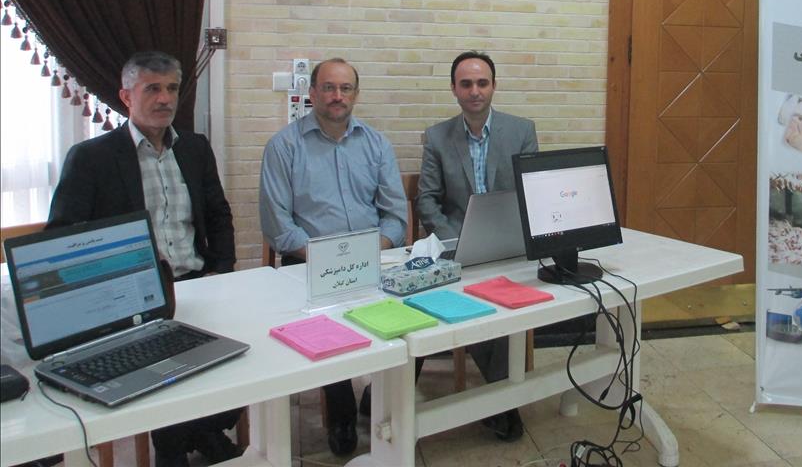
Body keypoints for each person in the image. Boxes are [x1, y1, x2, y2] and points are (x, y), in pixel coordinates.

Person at [48, 51, 241, 467]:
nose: (165, 99)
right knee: (165, 373)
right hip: (135, 300)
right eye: (152, 89)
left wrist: (223, 271)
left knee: (246, 356)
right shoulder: (92, 158)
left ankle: (204, 430)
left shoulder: (195, 148)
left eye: (172, 88)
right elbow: (63, 238)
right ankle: (173, 450)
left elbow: (218, 214)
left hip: (201, 283)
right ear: (126, 96)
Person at [259, 58, 406, 455]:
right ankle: (340, 411)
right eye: (328, 87)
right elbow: (278, 226)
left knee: (418, 313)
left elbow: (395, 216)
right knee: (325, 328)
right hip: (308, 264)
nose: (337, 96)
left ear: (356, 94)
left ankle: (378, 397)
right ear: (312, 93)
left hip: (373, 259)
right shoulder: (284, 146)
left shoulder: (376, 144)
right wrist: (327, 259)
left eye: (345, 88)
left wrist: (373, 251)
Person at [416, 50, 538, 441]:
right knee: (461, 299)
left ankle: (501, 402)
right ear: (454, 89)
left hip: (508, 245)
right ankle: (503, 404)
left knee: (500, 298)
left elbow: (531, 192)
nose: (475, 91)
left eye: (482, 83)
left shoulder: (521, 131)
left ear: (494, 86)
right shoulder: (437, 137)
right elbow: (427, 200)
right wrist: (454, 239)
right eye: (466, 83)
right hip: (457, 246)